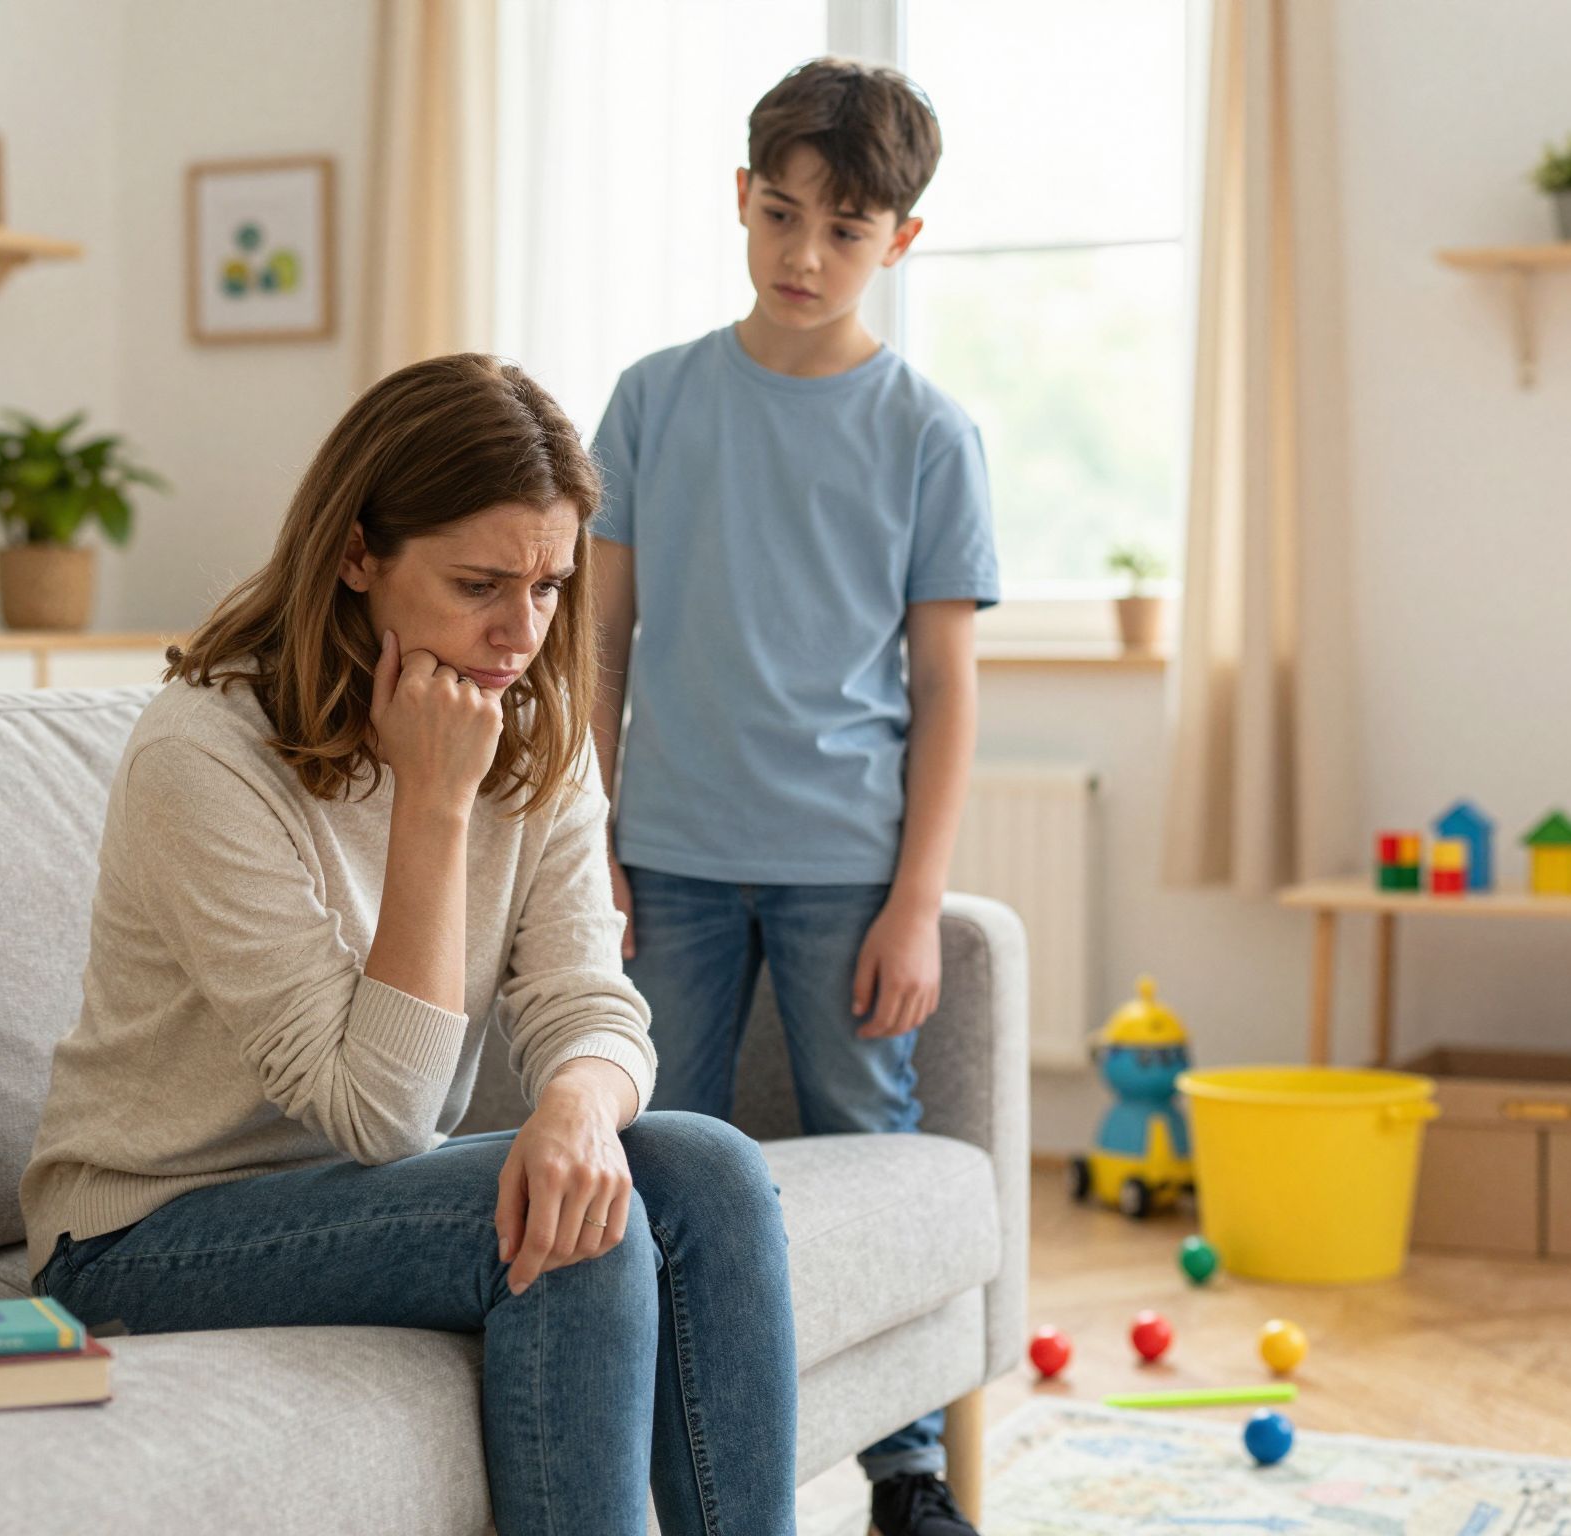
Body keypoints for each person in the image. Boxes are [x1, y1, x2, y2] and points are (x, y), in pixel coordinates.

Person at [20, 354, 800, 1536]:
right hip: (144, 1232)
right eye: (479, 583)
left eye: (547, 587)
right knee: (575, 1232)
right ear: (355, 555)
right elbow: (378, 1114)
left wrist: (580, 1110)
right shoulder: (204, 756)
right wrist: (436, 806)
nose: (518, 633)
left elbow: (589, 997)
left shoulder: (531, 723)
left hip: (366, 1195)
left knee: (708, 1171)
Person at [589, 58, 999, 1536]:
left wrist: (915, 905)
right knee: (655, 1145)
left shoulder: (929, 436)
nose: (805, 256)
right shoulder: (651, 401)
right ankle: (635, 1433)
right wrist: (596, 847)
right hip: (670, 859)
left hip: (845, 867)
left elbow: (947, 689)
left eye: (845, 228)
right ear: (740, 204)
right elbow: (601, 641)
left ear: (901, 240)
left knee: (869, 1154)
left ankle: (906, 1474)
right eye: (781, 216)